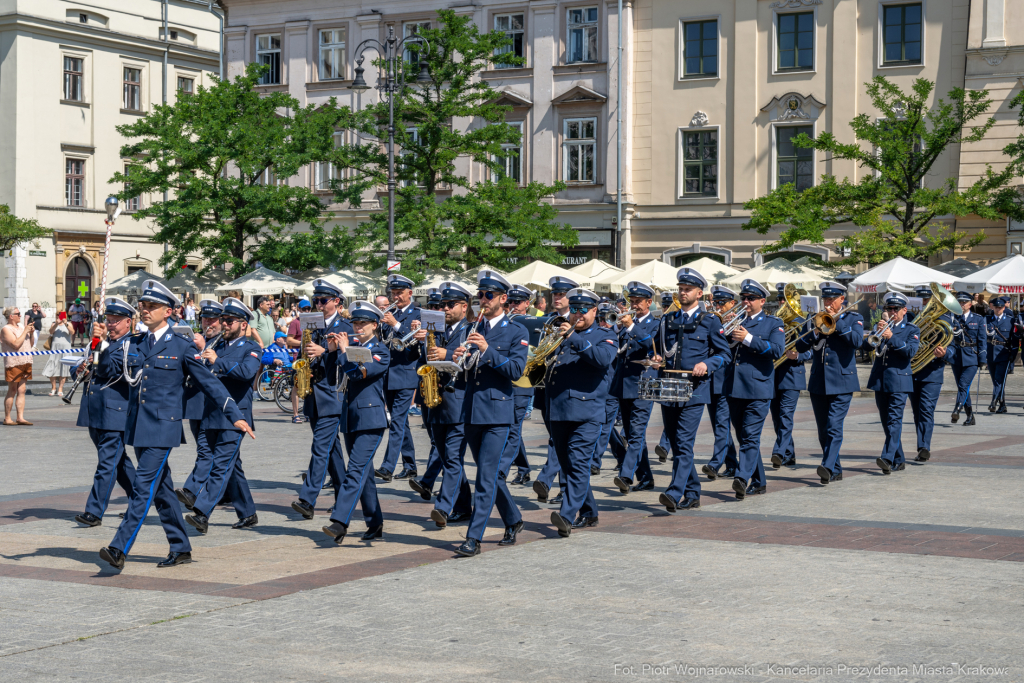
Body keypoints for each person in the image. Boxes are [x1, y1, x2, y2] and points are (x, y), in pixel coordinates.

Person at [97, 280, 253, 570]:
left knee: (142, 488)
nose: (144, 310)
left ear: (168, 311)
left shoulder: (180, 347)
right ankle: (180, 547)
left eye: (152, 306)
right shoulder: (134, 342)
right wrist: (104, 344)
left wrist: (235, 414)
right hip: (138, 427)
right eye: (143, 305)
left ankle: (119, 548)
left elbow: (210, 383)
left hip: (162, 429)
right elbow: (106, 372)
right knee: (163, 492)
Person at [453, 271, 529, 557]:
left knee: (485, 477)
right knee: (491, 477)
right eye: (480, 295)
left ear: (503, 299)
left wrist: (486, 351)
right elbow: (464, 372)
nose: (483, 300)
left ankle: (474, 538)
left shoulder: (516, 331)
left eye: (489, 296)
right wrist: (456, 358)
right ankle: (513, 518)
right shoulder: (472, 327)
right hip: (472, 410)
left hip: (498, 413)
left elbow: (515, 371)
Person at [651, 268, 729, 512]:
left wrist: (707, 364)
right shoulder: (668, 319)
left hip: (694, 390)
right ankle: (693, 493)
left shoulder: (710, 320)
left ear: (699, 293)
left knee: (684, 443)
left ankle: (674, 493)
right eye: (680, 289)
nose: (682, 293)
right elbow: (660, 350)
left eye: (687, 290)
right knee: (676, 442)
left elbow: (723, 353)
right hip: (669, 387)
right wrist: (654, 358)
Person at [184, 298, 263, 534]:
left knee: (220, 466)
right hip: (211, 413)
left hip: (235, 415)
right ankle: (247, 513)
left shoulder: (251, 347)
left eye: (229, 321)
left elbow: (247, 372)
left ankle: (201, 512)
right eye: (224, 320)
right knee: (231, 467)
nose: (225, 324)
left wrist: (218, 362)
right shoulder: (215, 346)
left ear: (243, 324)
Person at [545, 288, 617, 536]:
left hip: (587, 412)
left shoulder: (605, 335)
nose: (577, 315)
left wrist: (572, 337)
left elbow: (602, 359)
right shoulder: (561, 335)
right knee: (568, 466)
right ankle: (589, 511)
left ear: (594, 311)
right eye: (573, 310)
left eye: (582, 310)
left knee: (577, 464)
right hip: (559, 410)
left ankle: (566, 516)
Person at [320, 301, 392, 544]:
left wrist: (343, 351)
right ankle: (375, 522)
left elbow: (357, 374)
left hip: (371, 419)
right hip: (351, 417)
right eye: (355, 323)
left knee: (355, 471)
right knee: (365, 474)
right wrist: (331, 351)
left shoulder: (381, 351)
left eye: (362, 323)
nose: (357, 327)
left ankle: (340, 522)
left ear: (375, 325)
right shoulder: (353, 347)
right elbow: (332, 379)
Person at [289, 280, 353, 520]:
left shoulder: (345, 325)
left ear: (336, 301)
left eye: (323, 300)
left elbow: (350, 350)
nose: (318, 304)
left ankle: (308, 499)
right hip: (314, 395)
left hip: (334, 394)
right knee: (332, 451)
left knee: (320, 447)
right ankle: (343, 498)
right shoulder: (312, 325)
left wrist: (325, 350)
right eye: (316, 300)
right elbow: (302, 353)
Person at [73, 297, 138, 527]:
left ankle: (94, 511)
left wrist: (99, 345)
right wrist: (80, 368)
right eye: (109, 320)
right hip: (95, 411)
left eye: (115, 321)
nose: (110, 325)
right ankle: (139, 500)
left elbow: (109, 369)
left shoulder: (131, 344)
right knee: (119, 463)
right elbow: (86, 365)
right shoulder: (103, 343)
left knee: (107, 463)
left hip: (115, 413)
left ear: (128, 322)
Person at [794, 281, 865, 486]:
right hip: (818, 380)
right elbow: (800, 345)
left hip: (842, 381)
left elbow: (858, 342)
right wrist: (815, 332)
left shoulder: (854, 317)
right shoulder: (813, 318)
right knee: (823, 430)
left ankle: (826, 465)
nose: (828, 303)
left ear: (842, 299)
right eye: (825, 299)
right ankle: (835, 469)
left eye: (832, 299)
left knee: (834, 426)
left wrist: (836, 322)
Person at [419, 282, 474, 528]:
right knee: (448, 458)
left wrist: (446, 352)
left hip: (460, 402)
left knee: (452, 458)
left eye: (451, 304)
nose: (445, 308)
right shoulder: (436, 329)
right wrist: (424, 344)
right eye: (443, 305)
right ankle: (463, 507)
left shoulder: (471, 328)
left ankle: (443, 506)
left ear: (464, 306)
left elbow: (469, 356)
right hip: (436, 402)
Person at [724, 279, 785, 500]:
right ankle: (759, 481)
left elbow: (778, 350)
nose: (746, 302)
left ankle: (741, 477)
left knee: (750, 436)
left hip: (758, 388)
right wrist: (724, 329)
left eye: (751, 298)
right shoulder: (736, 320)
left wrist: (749, 339)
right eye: (744, 298)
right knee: (743, 436)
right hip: (734, 387)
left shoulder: (772, 322)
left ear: (762, 301)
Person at [532, 275, 579, 505]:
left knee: (563, 442)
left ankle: (559, 485)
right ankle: (561, 486)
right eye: (555, 294)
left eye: (561, 295)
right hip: (546, 387)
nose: (556, 298)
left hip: (567, 389)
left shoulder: (579, 321)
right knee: (556, 439)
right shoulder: (548, 320)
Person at [610, 281, 659, 494]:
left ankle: (626, 474)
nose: (634, 305)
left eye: (638, 302)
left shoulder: (655, 323)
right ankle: (646, 477)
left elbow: (651, 344)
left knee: (637, 432)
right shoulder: (625, 323)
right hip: (624, 383)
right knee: (631, 434)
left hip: (643, 384)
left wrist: (630, 326)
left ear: (649, 302)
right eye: (632, 301)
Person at [175, 299, 224, 512]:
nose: (208, 323)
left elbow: (219, 373)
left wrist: (203, 349)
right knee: (228, 461)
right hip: (195, 403)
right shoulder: (200, 340)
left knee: (206, 450)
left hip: (213, 406)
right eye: (205, 319)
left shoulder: (223, 342)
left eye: (212, 320)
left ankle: (192, 490)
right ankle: (243, 505)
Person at [867, 292, 921, 475]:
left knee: (894, 420)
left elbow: (910, 352)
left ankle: (887, 457)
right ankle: (899, 458)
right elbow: (868, 345)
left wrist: (891, 337)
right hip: (880, 379)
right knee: (885, 422)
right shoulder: (879, 326)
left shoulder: (912, 329)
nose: (891, 312)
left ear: (904, 310)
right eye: (888, 308)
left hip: (899, 380)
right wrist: (877, 332)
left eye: (895, 309)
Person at [375, 274, 421, 481]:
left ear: (409, 293)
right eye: (393, 293)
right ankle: (410, 465)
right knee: (402, 423)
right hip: (388, 374)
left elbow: (412, 345)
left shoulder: (416, 314)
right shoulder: (389, 313)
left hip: (406, 374)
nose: (395, 297)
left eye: (399, 293)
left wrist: (395, 324)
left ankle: (387, 467)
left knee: (397, 422)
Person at [699, 285, 740, 480]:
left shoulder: (739, 323)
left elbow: (729, 350)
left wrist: (732, 327)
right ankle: (731, 463)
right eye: (716, 303)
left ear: (733, 304)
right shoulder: (711, 321)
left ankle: (715, 464)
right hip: (710, 379)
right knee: (717, 425)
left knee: (722, 424)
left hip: (726, 380)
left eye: (722, 303)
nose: (718, 307)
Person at [770, 282, 812, 469]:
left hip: (792, 375)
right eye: (780, 300)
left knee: (786, 416)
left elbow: (812, 351)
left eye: (784, 300)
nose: (782, 303)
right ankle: (789, 454)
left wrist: (799, 355)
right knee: (777, 418)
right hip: (774, 375)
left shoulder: (802, 323)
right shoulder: (774, 323)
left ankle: (778, 451)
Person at [505, 285, 535, 485]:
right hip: (505, 381)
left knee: (513, 428)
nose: (513, 306)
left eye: (518, 302)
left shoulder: (535, 324)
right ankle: (524, 469)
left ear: (528, 304)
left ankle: (501, 470)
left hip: (523, 382)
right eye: (511, 302)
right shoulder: (502, 323)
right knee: (511, 428)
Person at [948, 290, 987, 426]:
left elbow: (982, 340)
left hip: (972, 357)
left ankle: (957, 409)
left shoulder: (978, 319)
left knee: (964, 384)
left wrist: (983, 357)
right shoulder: (953, 318)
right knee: (962, 387)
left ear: (970, 304)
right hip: (956, 356)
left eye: (964, 302)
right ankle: (970, 416)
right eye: (959, 302)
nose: (962, 304)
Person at [2, 307, 34, 425]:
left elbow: (29, 344)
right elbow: (15, 344)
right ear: (11, 316)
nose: (20, 315)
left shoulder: (21, 327)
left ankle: (20, 417)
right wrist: (25, 331)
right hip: (14, 362)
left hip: (25, 361)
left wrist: (31, 333)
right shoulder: (6, 329)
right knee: (13, 389)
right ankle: (7, 418)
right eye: (18, 314)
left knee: (22, 389)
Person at [986, 297, 1015, 413]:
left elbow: (1014, 339)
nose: (998, 309)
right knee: (996, 380)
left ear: (1004, 307)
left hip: (1003, 353)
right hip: (990, 353)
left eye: (1000, 307)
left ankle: (994, 401)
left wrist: (1013, 353)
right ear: (992, 307)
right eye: (996, 307)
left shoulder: (1010, 320)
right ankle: (1002, 405)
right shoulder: (987, 319)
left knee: (999, 379)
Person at [286, 299, 312, 423]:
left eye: (308, 309)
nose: (307, 311)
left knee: (309, 386)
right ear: (299, 310)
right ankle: (295, 414)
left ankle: (307, 412)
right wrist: (303, 343)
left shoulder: (313, 322)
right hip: (299, 357)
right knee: (297, 386)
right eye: (304, 309)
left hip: (311, 357)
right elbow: (289, 340)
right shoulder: (295, 323)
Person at [43, 312, 74, 397]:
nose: (59, 318)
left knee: (64, 368)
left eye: (61, 316)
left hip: (66, 349)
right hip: (55, 349)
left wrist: (66, 323)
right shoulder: (54, 324)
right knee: (52, 367)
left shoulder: (69, 323)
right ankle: (53, 388)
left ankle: (60, 388)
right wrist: (56, 324)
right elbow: (51, 332)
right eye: (58, 316)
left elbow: (72, 332)